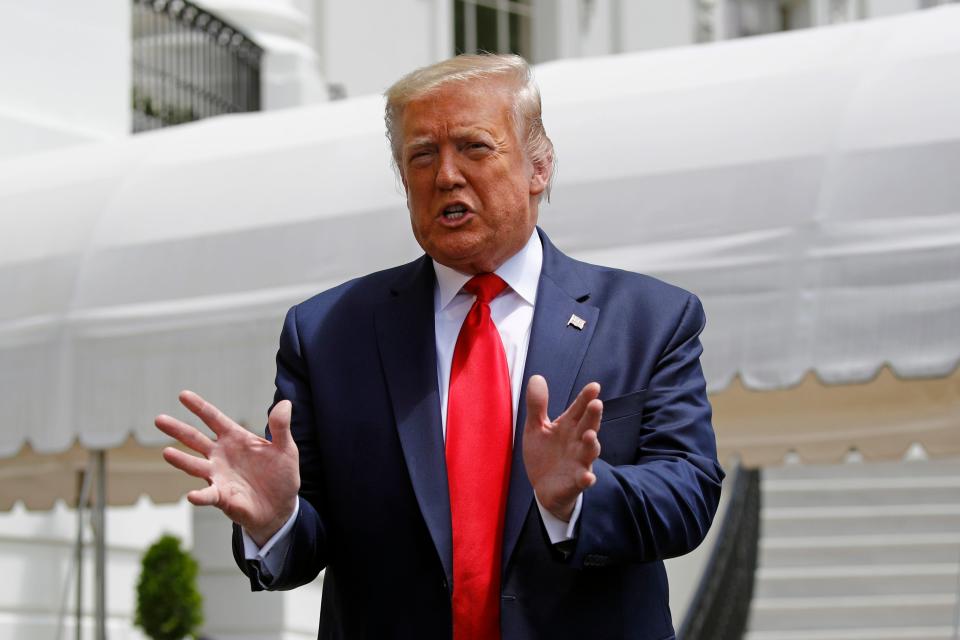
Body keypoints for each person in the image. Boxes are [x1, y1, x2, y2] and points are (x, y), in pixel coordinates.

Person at [156, 54, 723, 640]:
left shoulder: (649, 319)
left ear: (539, 166)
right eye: (422, 155)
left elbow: (689, 492)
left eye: (475, 147)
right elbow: (308, 538)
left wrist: (577, 497)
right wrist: (277, 521)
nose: (445, 175)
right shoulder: (328, 333)